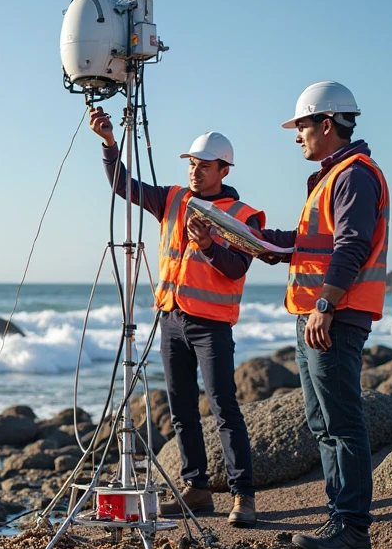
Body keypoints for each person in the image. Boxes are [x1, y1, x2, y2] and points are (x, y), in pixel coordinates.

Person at [90, 107, 263, 527]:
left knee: (224, 406)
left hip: (211, 326)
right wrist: (110, 144)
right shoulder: (172, 198)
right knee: (181, 408)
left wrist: (207, 245)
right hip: (171, 320)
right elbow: (123, 186)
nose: (195, 172)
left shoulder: (243, 215)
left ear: (223, 169)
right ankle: (198, 488)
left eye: (204, 166)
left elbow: (238, 268)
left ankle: (243, 496)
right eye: (191, 164)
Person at [255, 81, 390, 549]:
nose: (298, 137)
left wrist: (326, 306)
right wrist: (253, 240)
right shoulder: (332, 176)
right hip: (317, 314)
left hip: (334, 315)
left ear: (326, 125)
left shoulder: (354, 175)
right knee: (321, 421)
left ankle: (353, 530)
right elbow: (308, 242)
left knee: (342, 421)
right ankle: (340, 518)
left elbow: (351, 245)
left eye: (302, 126)